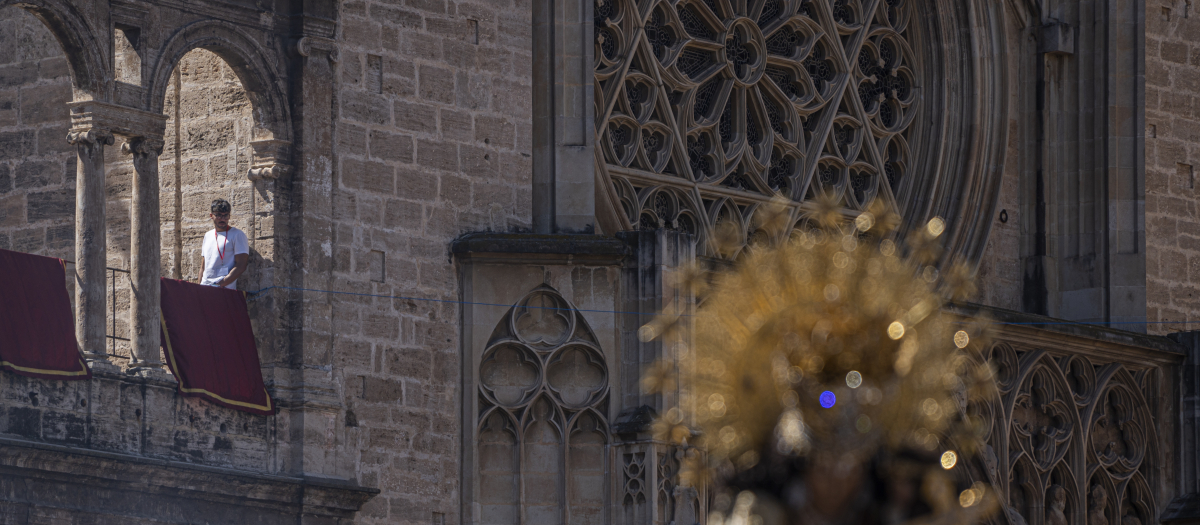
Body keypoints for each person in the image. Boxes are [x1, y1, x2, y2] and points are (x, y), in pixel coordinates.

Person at [200, 199, 249, 289]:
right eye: (218, 215)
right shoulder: (208, 235)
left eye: (225, 215)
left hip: (224, 288)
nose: (222, 219)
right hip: (205, 287)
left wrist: (220, 284)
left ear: (229, 216)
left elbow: (241, 265)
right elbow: (203, 266)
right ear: (211, 215)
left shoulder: (237, 235)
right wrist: (198, 288)